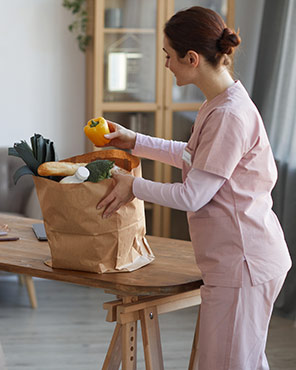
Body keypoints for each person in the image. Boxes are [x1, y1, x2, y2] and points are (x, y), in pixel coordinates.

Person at [97, 6, 292, 370]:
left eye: (169, 56)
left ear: (192, 58)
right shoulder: (219, 103)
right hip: (241, 261)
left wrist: (133, 186)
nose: (167, 64)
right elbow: (193, 158)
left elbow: (193, 194)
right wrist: (133, 140)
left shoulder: (229, 116)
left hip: (243, 264)